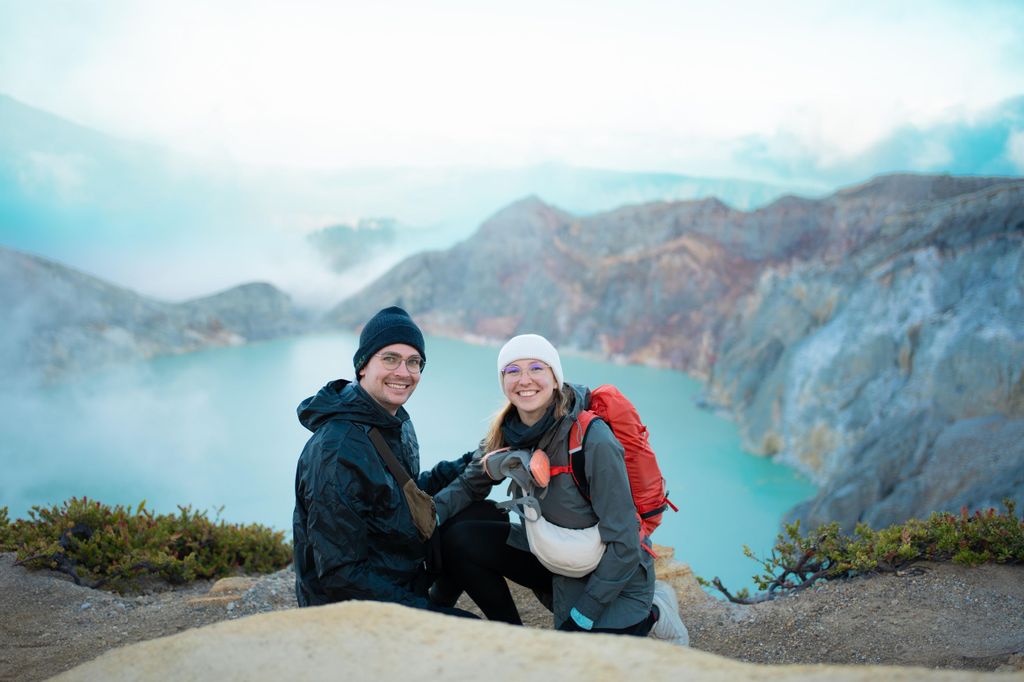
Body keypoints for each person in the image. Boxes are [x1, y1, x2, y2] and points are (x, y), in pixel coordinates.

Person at [431, 333, 689, 643]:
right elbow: (467, 486)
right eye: (512, 371)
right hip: (550, 553)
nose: (524, 379)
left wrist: (583, 615)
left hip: (605, 568)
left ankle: (655, 611)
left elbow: (624, 543)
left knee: (578, 647)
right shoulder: (507, 429)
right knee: (459, 535)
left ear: (555, 379)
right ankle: (517, 642)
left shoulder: (592, 439)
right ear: (503, 382)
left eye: (536, 368)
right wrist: (423, 521)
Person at [291, 305, 475, 616]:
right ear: (363, 365)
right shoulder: (336, 450)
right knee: (474, 632)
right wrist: (426, 612)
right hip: (346, 612)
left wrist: (475, 461)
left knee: (476, 526)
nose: (404, 372)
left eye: (414, 362)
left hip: (399, 579)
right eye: (390, 358)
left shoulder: (393, 420)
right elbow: (341, 575)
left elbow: (403, 493)